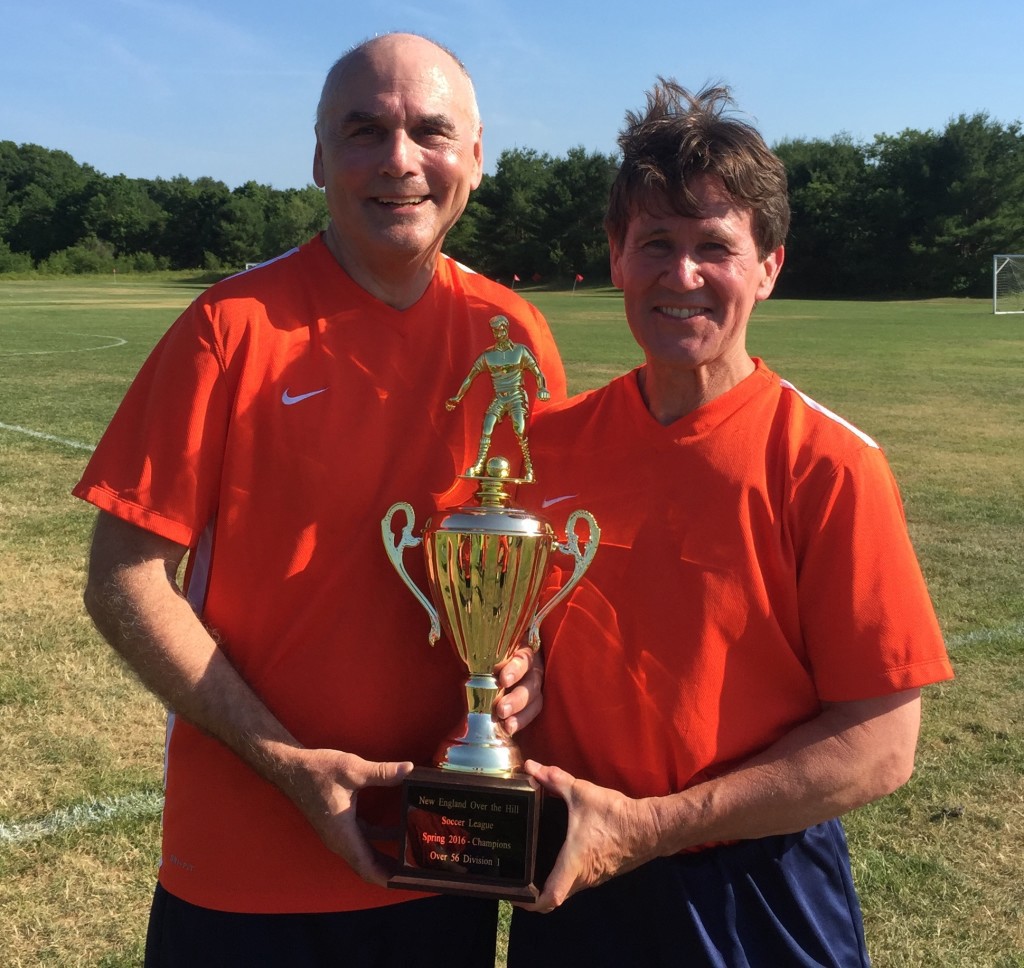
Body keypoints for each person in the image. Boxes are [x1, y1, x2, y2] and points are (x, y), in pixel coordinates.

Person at [73, 33, 566, 968]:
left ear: (476, 155)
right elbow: (123, 580)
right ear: (317, 158)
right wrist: (289, 768)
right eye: (363, 131)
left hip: (441, 851)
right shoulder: (228, 326)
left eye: (431, 131)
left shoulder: (515, 333)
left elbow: (526, 573)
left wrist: (526, 659)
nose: (399, 160)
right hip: (244, 873)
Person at [508, 81, 953, 967]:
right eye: (656, 244)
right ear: (615, 256)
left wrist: (648, 828)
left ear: (768, 268)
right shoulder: (544, 447)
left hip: (756, 895)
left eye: (716, 246)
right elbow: (525, 641)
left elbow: (879, 744)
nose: (683, 276)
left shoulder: (828, 464)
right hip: (573, 882)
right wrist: (517, 671)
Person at [446, 313, 551, 480]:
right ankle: (479, 464)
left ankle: (529, 469)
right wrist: (457, 397)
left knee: (519, 429)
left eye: (501, 331)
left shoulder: (520, 351)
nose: (498, 335)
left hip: (516, 395)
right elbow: (470, 377)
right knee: (487, 426)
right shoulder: (488, 356)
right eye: (495, 332)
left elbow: (537, 372)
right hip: (499, 397)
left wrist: (542, 388)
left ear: (506, 330)